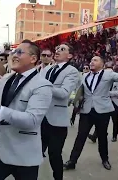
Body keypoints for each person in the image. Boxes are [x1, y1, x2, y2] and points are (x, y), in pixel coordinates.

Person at [0, 40, 53, 180]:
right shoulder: (5, 79)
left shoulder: (43, 85)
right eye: (13, 52)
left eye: (20, 52)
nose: (14, 55)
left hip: (24, 154)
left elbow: (32, 120)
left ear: (33, 58)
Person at [63, 56, 118, 171]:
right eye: (91, 60)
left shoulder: (109, 74)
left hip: (102, 111)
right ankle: (72, 161)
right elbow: (78, 91)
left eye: (95, 60)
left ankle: (105, 159)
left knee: (102, 137)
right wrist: (72, 101)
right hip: (86, 111)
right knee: (80, 137)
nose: (92, 61)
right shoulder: (84, 76)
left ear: (102, 64)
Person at [40, 43, 79, 180]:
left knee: (54, 154)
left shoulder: (72, 71)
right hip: (40, 117)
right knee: (33, 150)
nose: (57, 51)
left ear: (69, 56)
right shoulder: (47, 69)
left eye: (62, 49)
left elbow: (64, 93)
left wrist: (43, 86)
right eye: (57, 49)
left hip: (57, 121)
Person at [88, 62, 118, 143]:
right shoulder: (102, 78)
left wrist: (108, 93)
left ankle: (114, 135)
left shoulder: (117, 79)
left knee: (115, 120)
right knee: (102, 119)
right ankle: (95, 135)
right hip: (104, 101)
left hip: (114, 102)